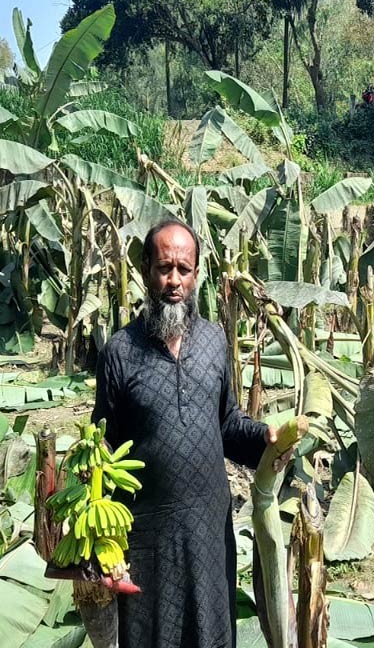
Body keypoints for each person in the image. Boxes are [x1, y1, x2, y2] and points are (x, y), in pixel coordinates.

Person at [91, 219, 289, 648]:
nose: (174, 281)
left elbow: (227, 423)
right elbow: (102, 445)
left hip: (209, 533)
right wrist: (99, 538)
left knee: (211, 634)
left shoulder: (214, 341)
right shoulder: (120, 352)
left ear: (197, 274)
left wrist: (265, 440)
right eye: (165, 268)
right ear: (146, 271)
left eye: (184, 269)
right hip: (147, 537)